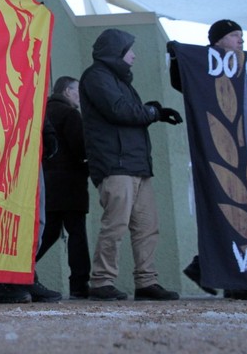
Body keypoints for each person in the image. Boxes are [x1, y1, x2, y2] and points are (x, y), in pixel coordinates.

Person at [80, 28, 182, 301]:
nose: (134, 56)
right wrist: (153, 112)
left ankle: (146, 281)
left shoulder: (118, 80)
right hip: (116, 165)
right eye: (130, 50)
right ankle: (101, 282)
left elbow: (126, 110)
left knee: (147, 226)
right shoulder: (96, 76)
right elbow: (119, 111)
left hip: (136, 165)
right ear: (117, 52)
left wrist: (151, 111)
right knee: (115, 225)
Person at [169, 19, 247, 301]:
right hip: (217, 158)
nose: (241, 41)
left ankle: (222, 273)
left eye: (241, 36)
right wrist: (178, 58)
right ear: (218, 40)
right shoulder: (204, 68)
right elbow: (181, 81)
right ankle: (223, 275)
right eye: (235, 35)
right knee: (225, 214)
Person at [0, 0, 61, 304]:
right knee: (7, 211)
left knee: (34, 213)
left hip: (27, 138)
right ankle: (2, 281)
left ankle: (23, 275)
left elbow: (35, 91)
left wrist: (46, 128)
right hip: (1, 136)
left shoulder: (32, 35)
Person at [38, 76, 91, 299]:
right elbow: (81, 149)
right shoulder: (70, 114)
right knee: (77, 233)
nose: (80, 95)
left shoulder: (44, 113)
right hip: (70, 183)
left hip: (49, 182)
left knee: (49, 232)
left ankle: (18, 271)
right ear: (67, 91)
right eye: (77, 90)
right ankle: (79, 284)